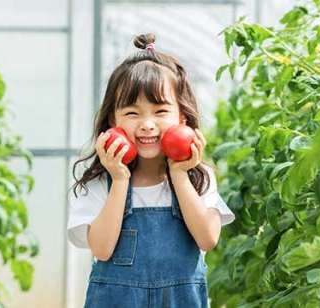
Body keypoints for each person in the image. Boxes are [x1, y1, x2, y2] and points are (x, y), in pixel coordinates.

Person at [67, 33, 235, 307]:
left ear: (182, 116)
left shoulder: (197, 176)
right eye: (132, 113)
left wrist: (180, 176)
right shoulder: (100, 180)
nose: (147, 124)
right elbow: (102, 248)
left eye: (160, 112)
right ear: (113, 120)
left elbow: (207, 238)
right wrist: (120, 179)